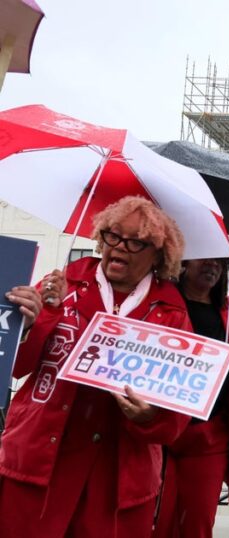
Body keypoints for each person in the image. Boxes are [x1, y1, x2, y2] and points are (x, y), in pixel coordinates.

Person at [0, 196, 193, 537]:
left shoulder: (172, 315)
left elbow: (176, 416)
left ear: (158, 255)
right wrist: (31, 323)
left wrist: (150, 417)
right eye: (112, 236)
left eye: (135, 242)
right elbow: (15, 369)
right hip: (39, 464)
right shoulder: (60, 286)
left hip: (117, 481)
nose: (119, 247)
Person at [154, 258, 229, 538]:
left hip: (208, 437)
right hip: (158, 434)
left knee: (199, 524)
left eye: (221, 262)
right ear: (185, 261)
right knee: (154, 524)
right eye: (207, 258)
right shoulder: (159, 302)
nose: (213, 266)